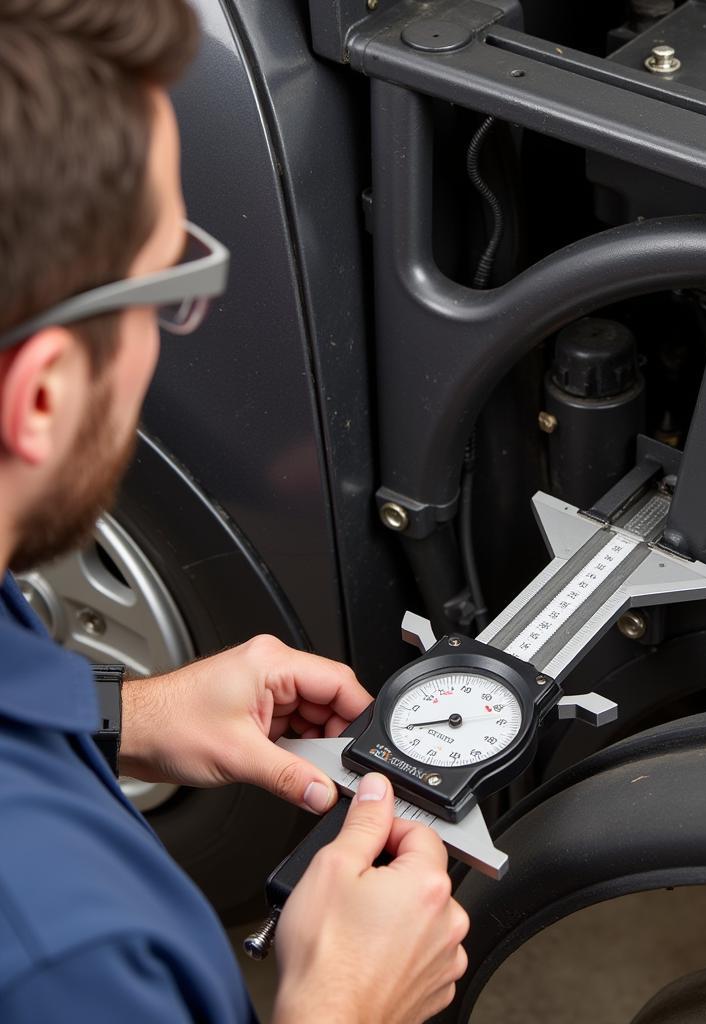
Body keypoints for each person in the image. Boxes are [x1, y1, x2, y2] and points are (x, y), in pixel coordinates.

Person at [0, 2, 469, 1021]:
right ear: (39, 395)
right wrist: (348, 1002)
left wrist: (122, 715)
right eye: (172, 281)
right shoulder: (74, 960)